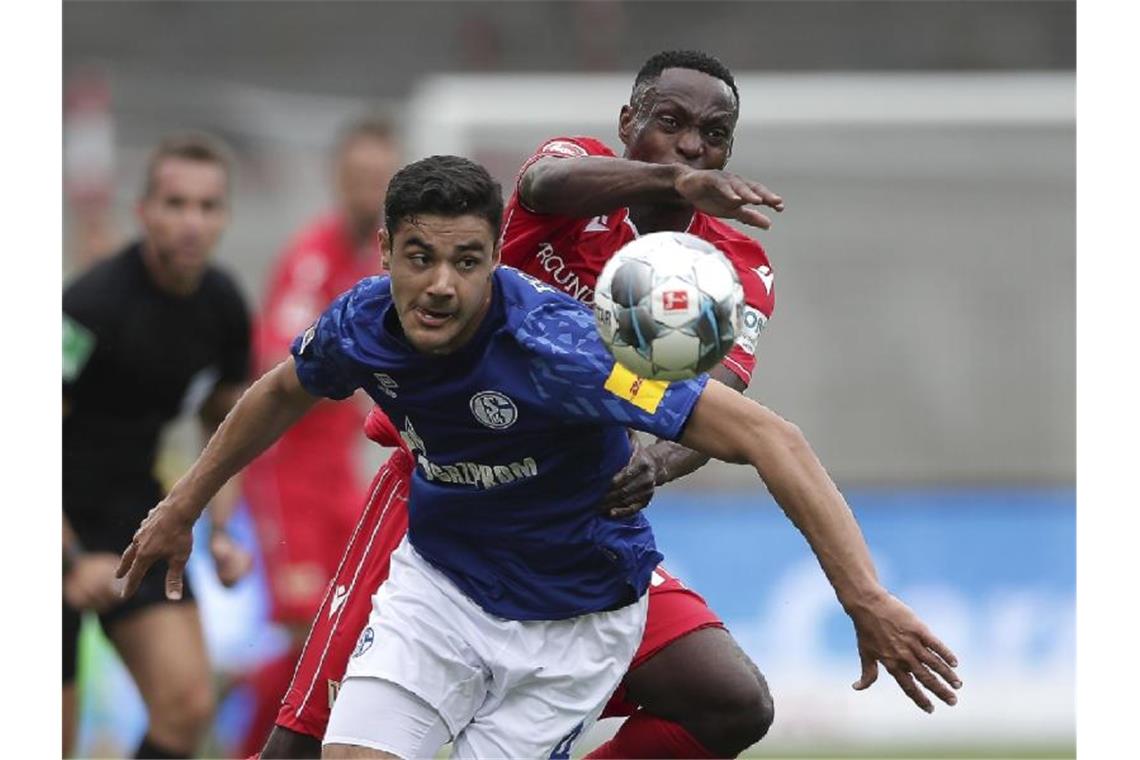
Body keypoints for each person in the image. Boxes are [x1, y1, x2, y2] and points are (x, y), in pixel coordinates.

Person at [117, 154, 960, 760]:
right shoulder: (363, 319)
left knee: (729, 701)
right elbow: (280, 391)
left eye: (466, 261)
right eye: (420, 258)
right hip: (438, 596)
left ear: (494, 262)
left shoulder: (566, 351)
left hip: (571, 626)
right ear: (385, 254)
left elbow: (770, 437)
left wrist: (865, 598)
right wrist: (181, 505)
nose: (441, 284)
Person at [264, 49, 783, 760]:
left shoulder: (735, 268)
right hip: (447, 481)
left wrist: (656, 463)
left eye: (714, 134)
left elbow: (718, 404)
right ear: (628, 121)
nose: (693, 145)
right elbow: (544, 182)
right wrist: (672, 180)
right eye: (670, 122)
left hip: (573, 516)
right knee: (302, 741)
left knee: (731, 704)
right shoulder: (577, 173)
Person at [63, 134, 254, 758]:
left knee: (187, 707)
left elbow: (227, 425)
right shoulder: (89, 307)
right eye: (175, 204)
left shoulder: (222, 306)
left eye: (207, 206)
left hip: (130, 515)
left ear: (225, 216)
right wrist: (67, 560)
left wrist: (223, 530)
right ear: (143, 211)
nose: (192, 223)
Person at [238, 117, 401, 758]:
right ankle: (246, 727)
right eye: (359, 178)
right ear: (338, 181)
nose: (370, 192)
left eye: (380, 180)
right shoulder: (314, 256)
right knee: (313, 631)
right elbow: (276, 361)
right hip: (288, 475)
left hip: (341, 476)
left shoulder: (378, 258)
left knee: (348, 630)